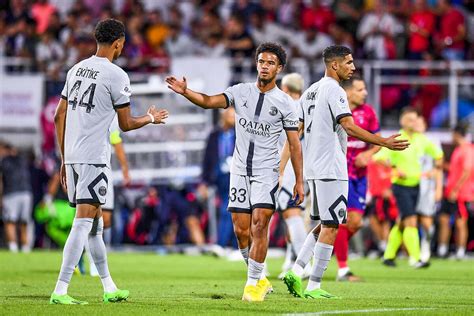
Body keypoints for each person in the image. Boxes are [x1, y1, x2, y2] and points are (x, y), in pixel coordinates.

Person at [166, 42, 304, 302]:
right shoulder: (240, 92)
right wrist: (186, 92)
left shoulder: (285, 103)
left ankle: (252, 285)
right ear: (256, 64)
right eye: (261, 62)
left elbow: (294, 144)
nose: (264, 67)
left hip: (266, 171)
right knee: (242, 230)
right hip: (239, 170)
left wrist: (298, 180)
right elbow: (209, 102)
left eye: (270, 63)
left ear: (279, 68)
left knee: (260, 224)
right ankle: (259, 277)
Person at [50, 18, 168, 305]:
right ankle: (61, 289)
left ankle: (108, 286)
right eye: (123, 44)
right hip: (93, 158)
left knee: (95, 226)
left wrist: (64, 160)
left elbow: (58, 116)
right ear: (118, 43)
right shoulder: (117, 75)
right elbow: (125, 124)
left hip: (74, 157)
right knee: (83, 223)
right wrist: (151, 118)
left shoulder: (76, 69)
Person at [282, 45, 408, 299]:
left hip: (315, 168)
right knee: (332, 225)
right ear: (334, 65)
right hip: (332, 167)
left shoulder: (309, 92)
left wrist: (284, 165)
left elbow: (296, 132)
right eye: (348, 62)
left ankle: (295, 271)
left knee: (324, 223)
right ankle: (314, 285)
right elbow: (349, 127)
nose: (353, 67)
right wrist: (383, 142)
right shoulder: (335, 90)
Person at [374, 108, 443, 268]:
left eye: (415, 119)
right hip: (400, 186)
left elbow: (438, 155)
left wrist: (437, 165)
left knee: (402, 221)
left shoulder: (421, 139)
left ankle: (388, 256)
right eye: (410, 119)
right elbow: (378, 158)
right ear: (402, 121)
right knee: (411, 220)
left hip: (416, 185)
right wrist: (395, 167)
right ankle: (416, 258)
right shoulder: (397, 138)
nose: (413, 122)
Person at [333, 76, 380, 282]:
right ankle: (343, 269)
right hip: (340, 173)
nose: (365, 93)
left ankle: (323, 249)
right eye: (360, 90)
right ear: (349, 92)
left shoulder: (368, 112)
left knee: (356, 224)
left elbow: (377, 140)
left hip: (360, 175)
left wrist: (368, 154)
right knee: (346, 221)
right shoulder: (336, 110)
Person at [87, 117, 131, 276]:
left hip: (105, 169)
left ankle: (86, 256)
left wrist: (125, 167)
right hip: (88, 166)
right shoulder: (87, 111)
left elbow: (115, 139)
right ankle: (92, 263)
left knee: (105, 220)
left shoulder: (111, 116)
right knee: (90, 217)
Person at [277, 73, 309, 279]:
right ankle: (291, 261)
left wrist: (279, 169)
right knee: (292, 216)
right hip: (304, 166)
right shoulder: (306, 107)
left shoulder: (291, 108)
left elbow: (291, 142)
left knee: (291, 214)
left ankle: (303, 264)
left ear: (286, 89)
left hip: (291, 166)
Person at [199, 107, 236, 248]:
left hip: (235, 176)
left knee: (229, 209)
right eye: (230, 116)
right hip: (219, 177)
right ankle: (226, 244)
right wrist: (204, 182)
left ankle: (224, 244)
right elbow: (207, 159)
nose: (233, 119)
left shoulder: (239, 135)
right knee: (226, 209)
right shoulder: (214, 135)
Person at [438, 123, 473, 259]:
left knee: (460, 221)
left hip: (461, 192)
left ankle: (460, 251)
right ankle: (442, 249)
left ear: (457, 134)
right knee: (443, 219)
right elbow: (455, 170)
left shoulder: (468, 150)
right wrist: (443, 166)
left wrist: (456, 189)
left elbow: (467, 171)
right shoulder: (458, 149)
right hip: (451, 190)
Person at [414, 116, 443, 263]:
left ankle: (426, 245)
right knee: (408, 219)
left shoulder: (432, 141)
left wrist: (439, 188)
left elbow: (438, 167)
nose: (417, 125)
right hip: (409, 185)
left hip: (426, 187)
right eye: (415, 123)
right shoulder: (409, 140)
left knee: (426, 219)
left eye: (420, 122)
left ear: (425, 125)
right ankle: (413, 252)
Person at [0, 142, 33, 253]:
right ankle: (25, 248)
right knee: (24, 222)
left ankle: (13, 247)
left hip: (11, 193)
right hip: (26, 193)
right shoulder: (22, 160)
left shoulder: (3, 161)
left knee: (10, 221)